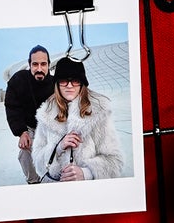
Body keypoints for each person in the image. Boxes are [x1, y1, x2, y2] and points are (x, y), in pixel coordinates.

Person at [31, 55, 120, 184]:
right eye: (63, 80)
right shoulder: (46, 114)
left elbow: (115, 161)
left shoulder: (98, 113)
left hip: (87, 189)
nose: (69, 85)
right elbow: (37, 160)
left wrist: (86, 173)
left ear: (82, 83)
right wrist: (58, 148)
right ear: (57, 84)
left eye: (75, 80)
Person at [2, 44, 54, 181]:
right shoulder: (18, 81)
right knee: (25, 152)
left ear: (49, 65)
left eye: (43, 64)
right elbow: (12, 107)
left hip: (50, 128)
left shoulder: (56, 84)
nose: (39, 69)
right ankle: (33, 181)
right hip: (30, 127)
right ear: (29, 64)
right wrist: (22, 132)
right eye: (35, 64)